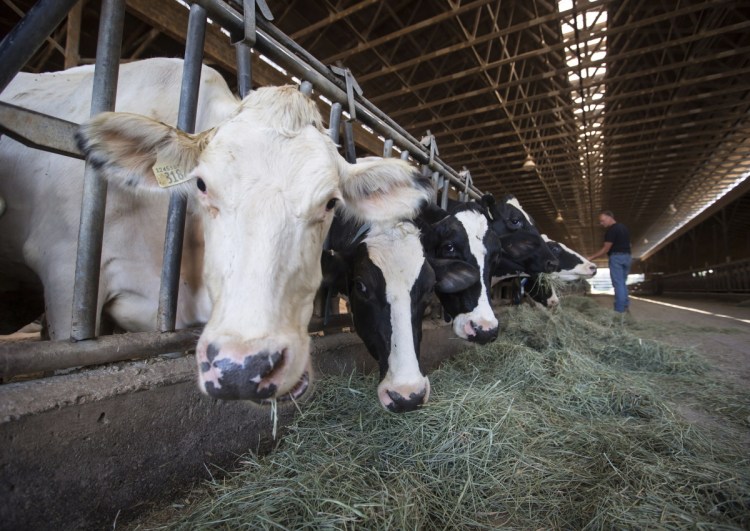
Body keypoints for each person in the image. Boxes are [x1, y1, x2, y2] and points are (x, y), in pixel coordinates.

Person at [588, 210, 631, 313]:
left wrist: (591, 257)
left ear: (610, 217)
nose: (602, 223)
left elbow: (606, 249)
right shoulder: (624, 228)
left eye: (602, 221)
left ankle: (619, 310)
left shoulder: (612, 230)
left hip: (616, 257)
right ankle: (625, 306)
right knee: (622, 283)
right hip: (628, 257)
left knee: (618, 283)